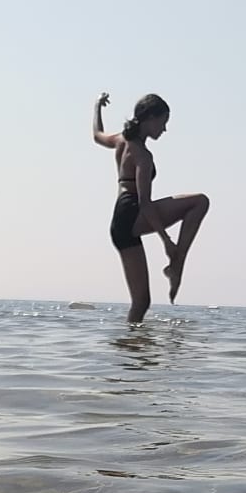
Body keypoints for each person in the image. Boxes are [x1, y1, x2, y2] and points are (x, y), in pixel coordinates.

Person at [91, 92, 210, 324]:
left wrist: (97, 106)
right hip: (132, 212)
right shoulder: (142, 156)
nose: (164, 129)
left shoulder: (121, 140)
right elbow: (145, 203)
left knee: (141, 302)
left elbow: (97, 135)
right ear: (150, 118)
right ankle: (177, 264)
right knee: (200, 202)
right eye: (163, 122)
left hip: (120, 223)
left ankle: (130, 344)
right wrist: (166, 241)